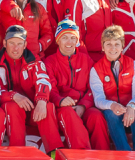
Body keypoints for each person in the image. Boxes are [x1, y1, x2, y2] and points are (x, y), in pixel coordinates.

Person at [0, 25, 63, 153]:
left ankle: (53, 153)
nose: (15, 48)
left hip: (33, 110)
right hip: (12, 111)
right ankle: (17, 152)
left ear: (25, 45)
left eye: (19, 43)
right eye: (12, 43)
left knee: (47, 106)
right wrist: (14, 96)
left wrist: (41, 100)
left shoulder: (33, 60)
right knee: (12, 106)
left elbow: (43, 79)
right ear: (4, 43)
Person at [44, 20, 110, 150]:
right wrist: (61, 100)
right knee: (68, 113)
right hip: (62, 107)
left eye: (73, 38)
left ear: (77, 41)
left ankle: (103, 157)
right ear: (58, 40)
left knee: (96, 117)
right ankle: (82, 155)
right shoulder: (49, 62)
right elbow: (49, 88)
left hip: (83, 105)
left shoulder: (86, 60)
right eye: (65, 38)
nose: (69, 42)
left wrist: (83, 106)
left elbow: (94, 88)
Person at [90, 26, 135, 151]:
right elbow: (98, 99)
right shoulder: (96, 69)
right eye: (108, 44)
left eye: (117, 44)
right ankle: (124, 154)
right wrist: (112, 105)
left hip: (130, 110)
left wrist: (131, 106)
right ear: (102, 46)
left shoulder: (133, 64)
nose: (113, 48)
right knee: (111, 114)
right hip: (111, 112)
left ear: (122, 46)